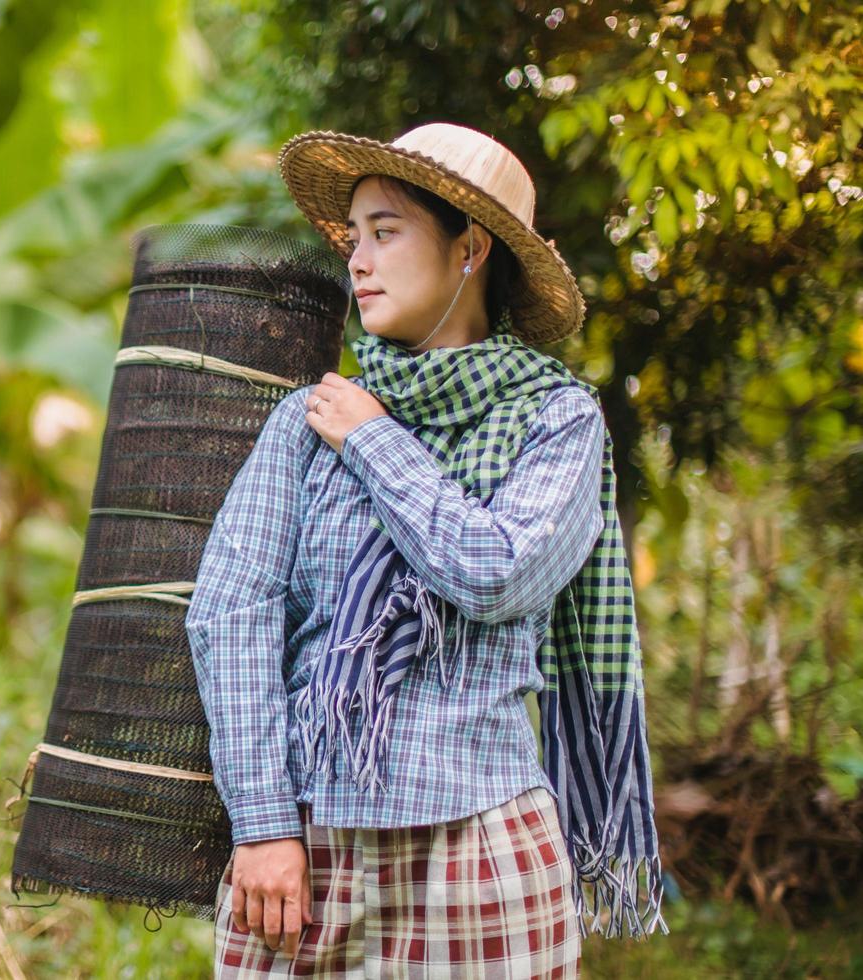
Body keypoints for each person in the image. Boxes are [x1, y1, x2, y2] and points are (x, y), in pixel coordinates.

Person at [185, 123, 666, 977]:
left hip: (481, 849)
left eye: (386, 231)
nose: (357, 262)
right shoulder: (309, 422)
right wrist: (261, 821)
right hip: (305, 855)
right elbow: (232, 612)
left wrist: (377, 443)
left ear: (469, 249)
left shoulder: (555, 422)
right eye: (353, 238)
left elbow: (498, 574)